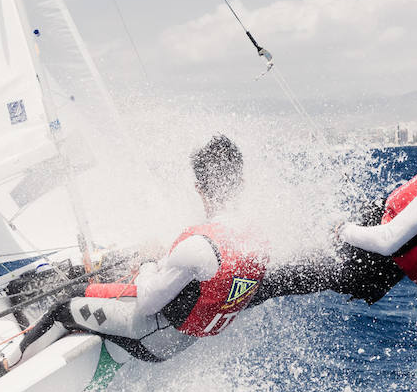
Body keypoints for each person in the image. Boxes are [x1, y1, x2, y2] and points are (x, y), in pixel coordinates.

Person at [19, 135, 267, 362]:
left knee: (63, 307)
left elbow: (147, 302)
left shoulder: (199, 246)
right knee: (91, 282)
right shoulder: (257, 238)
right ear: (241, 183)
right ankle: (35, 300)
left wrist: (148, 262)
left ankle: (3, 365)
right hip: (184, 336)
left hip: (153, 338)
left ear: (199, 189)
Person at [252, 96, 417, 305]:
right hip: (381, 278)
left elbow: (386, 241)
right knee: (274, 276)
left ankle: (217, 285)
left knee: (269, 280)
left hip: (361, 257)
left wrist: (339, 229)